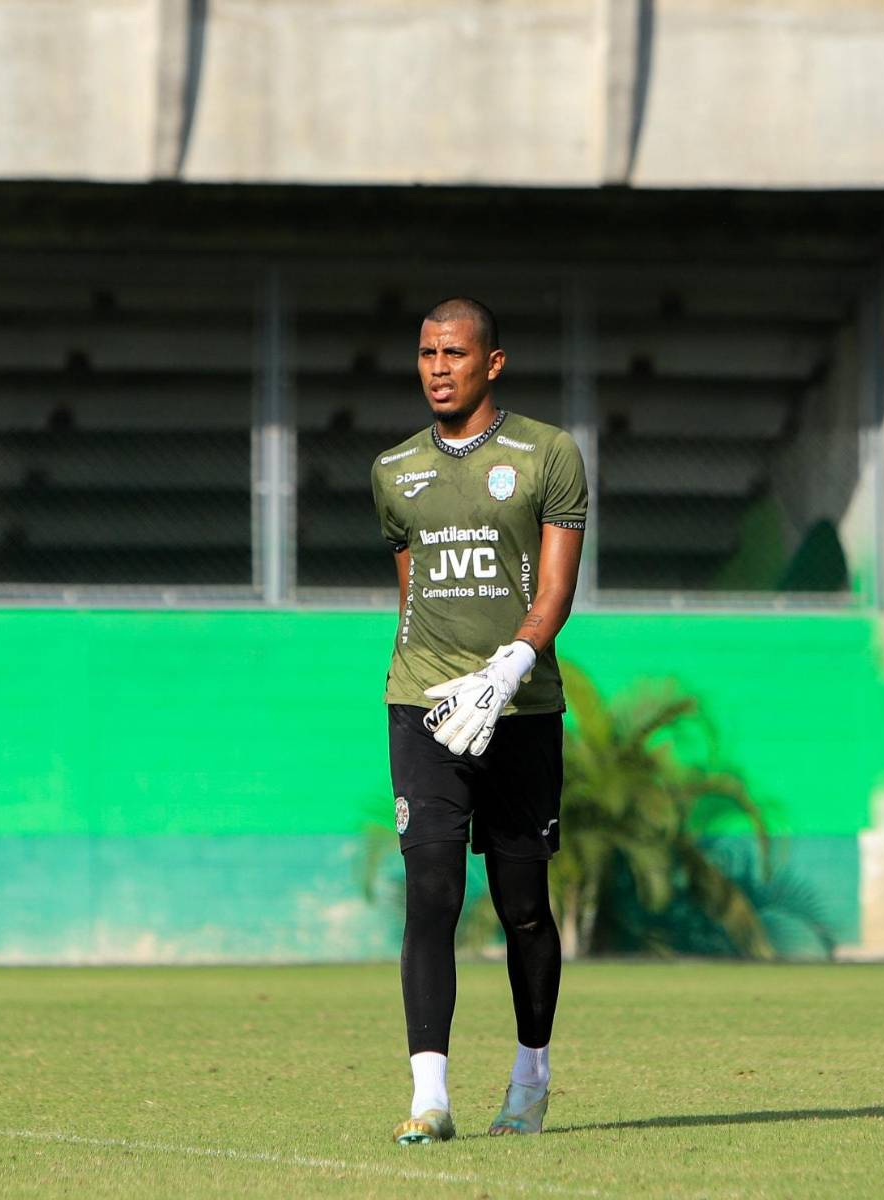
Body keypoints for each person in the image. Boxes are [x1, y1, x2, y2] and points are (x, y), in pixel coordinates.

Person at [370, 297, 587, 1145]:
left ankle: (531, 1077)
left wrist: (512, 664)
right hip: (425, 704)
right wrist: (427, 682)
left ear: (491, 362)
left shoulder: (548, 455)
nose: (436, 367)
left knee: (524, 905)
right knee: (431, 892)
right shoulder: (393, 469)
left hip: (521, 708)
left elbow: (557, 589)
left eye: (454, 352)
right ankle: (431, 1097)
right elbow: (411, 588)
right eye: (426, 352)